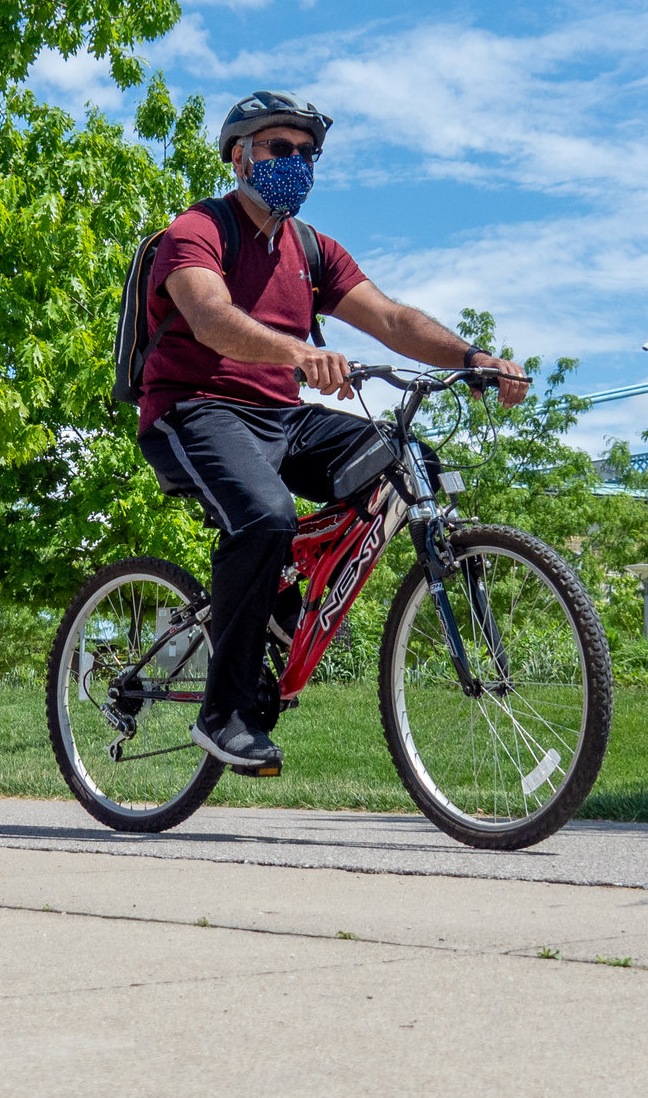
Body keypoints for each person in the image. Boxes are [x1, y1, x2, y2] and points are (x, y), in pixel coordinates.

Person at [137, 91, 530, 771]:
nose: (297, 163)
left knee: (408, 463)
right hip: (193, 410)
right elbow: (208, 316)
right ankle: (223, 711)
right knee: (264, 514)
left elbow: (394, 319)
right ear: (240, 157)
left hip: (281, 419)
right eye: (279, 149)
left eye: (307, 153)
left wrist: (475, 359)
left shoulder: (311, 251)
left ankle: (282, 599)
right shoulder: (198, 230)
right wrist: (298, 354)